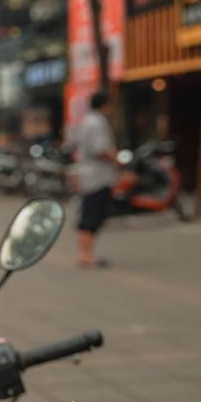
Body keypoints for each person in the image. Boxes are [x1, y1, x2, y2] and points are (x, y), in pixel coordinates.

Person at [74, 91, 118, 269]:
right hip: (97, 177)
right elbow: (100, 150)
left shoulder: (87, 120)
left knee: (89, 214)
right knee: (93, 215)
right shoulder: (97, 122)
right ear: (105, 104)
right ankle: (85, 255)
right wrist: (116, 160)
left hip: (89, 175)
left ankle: (85, 254)